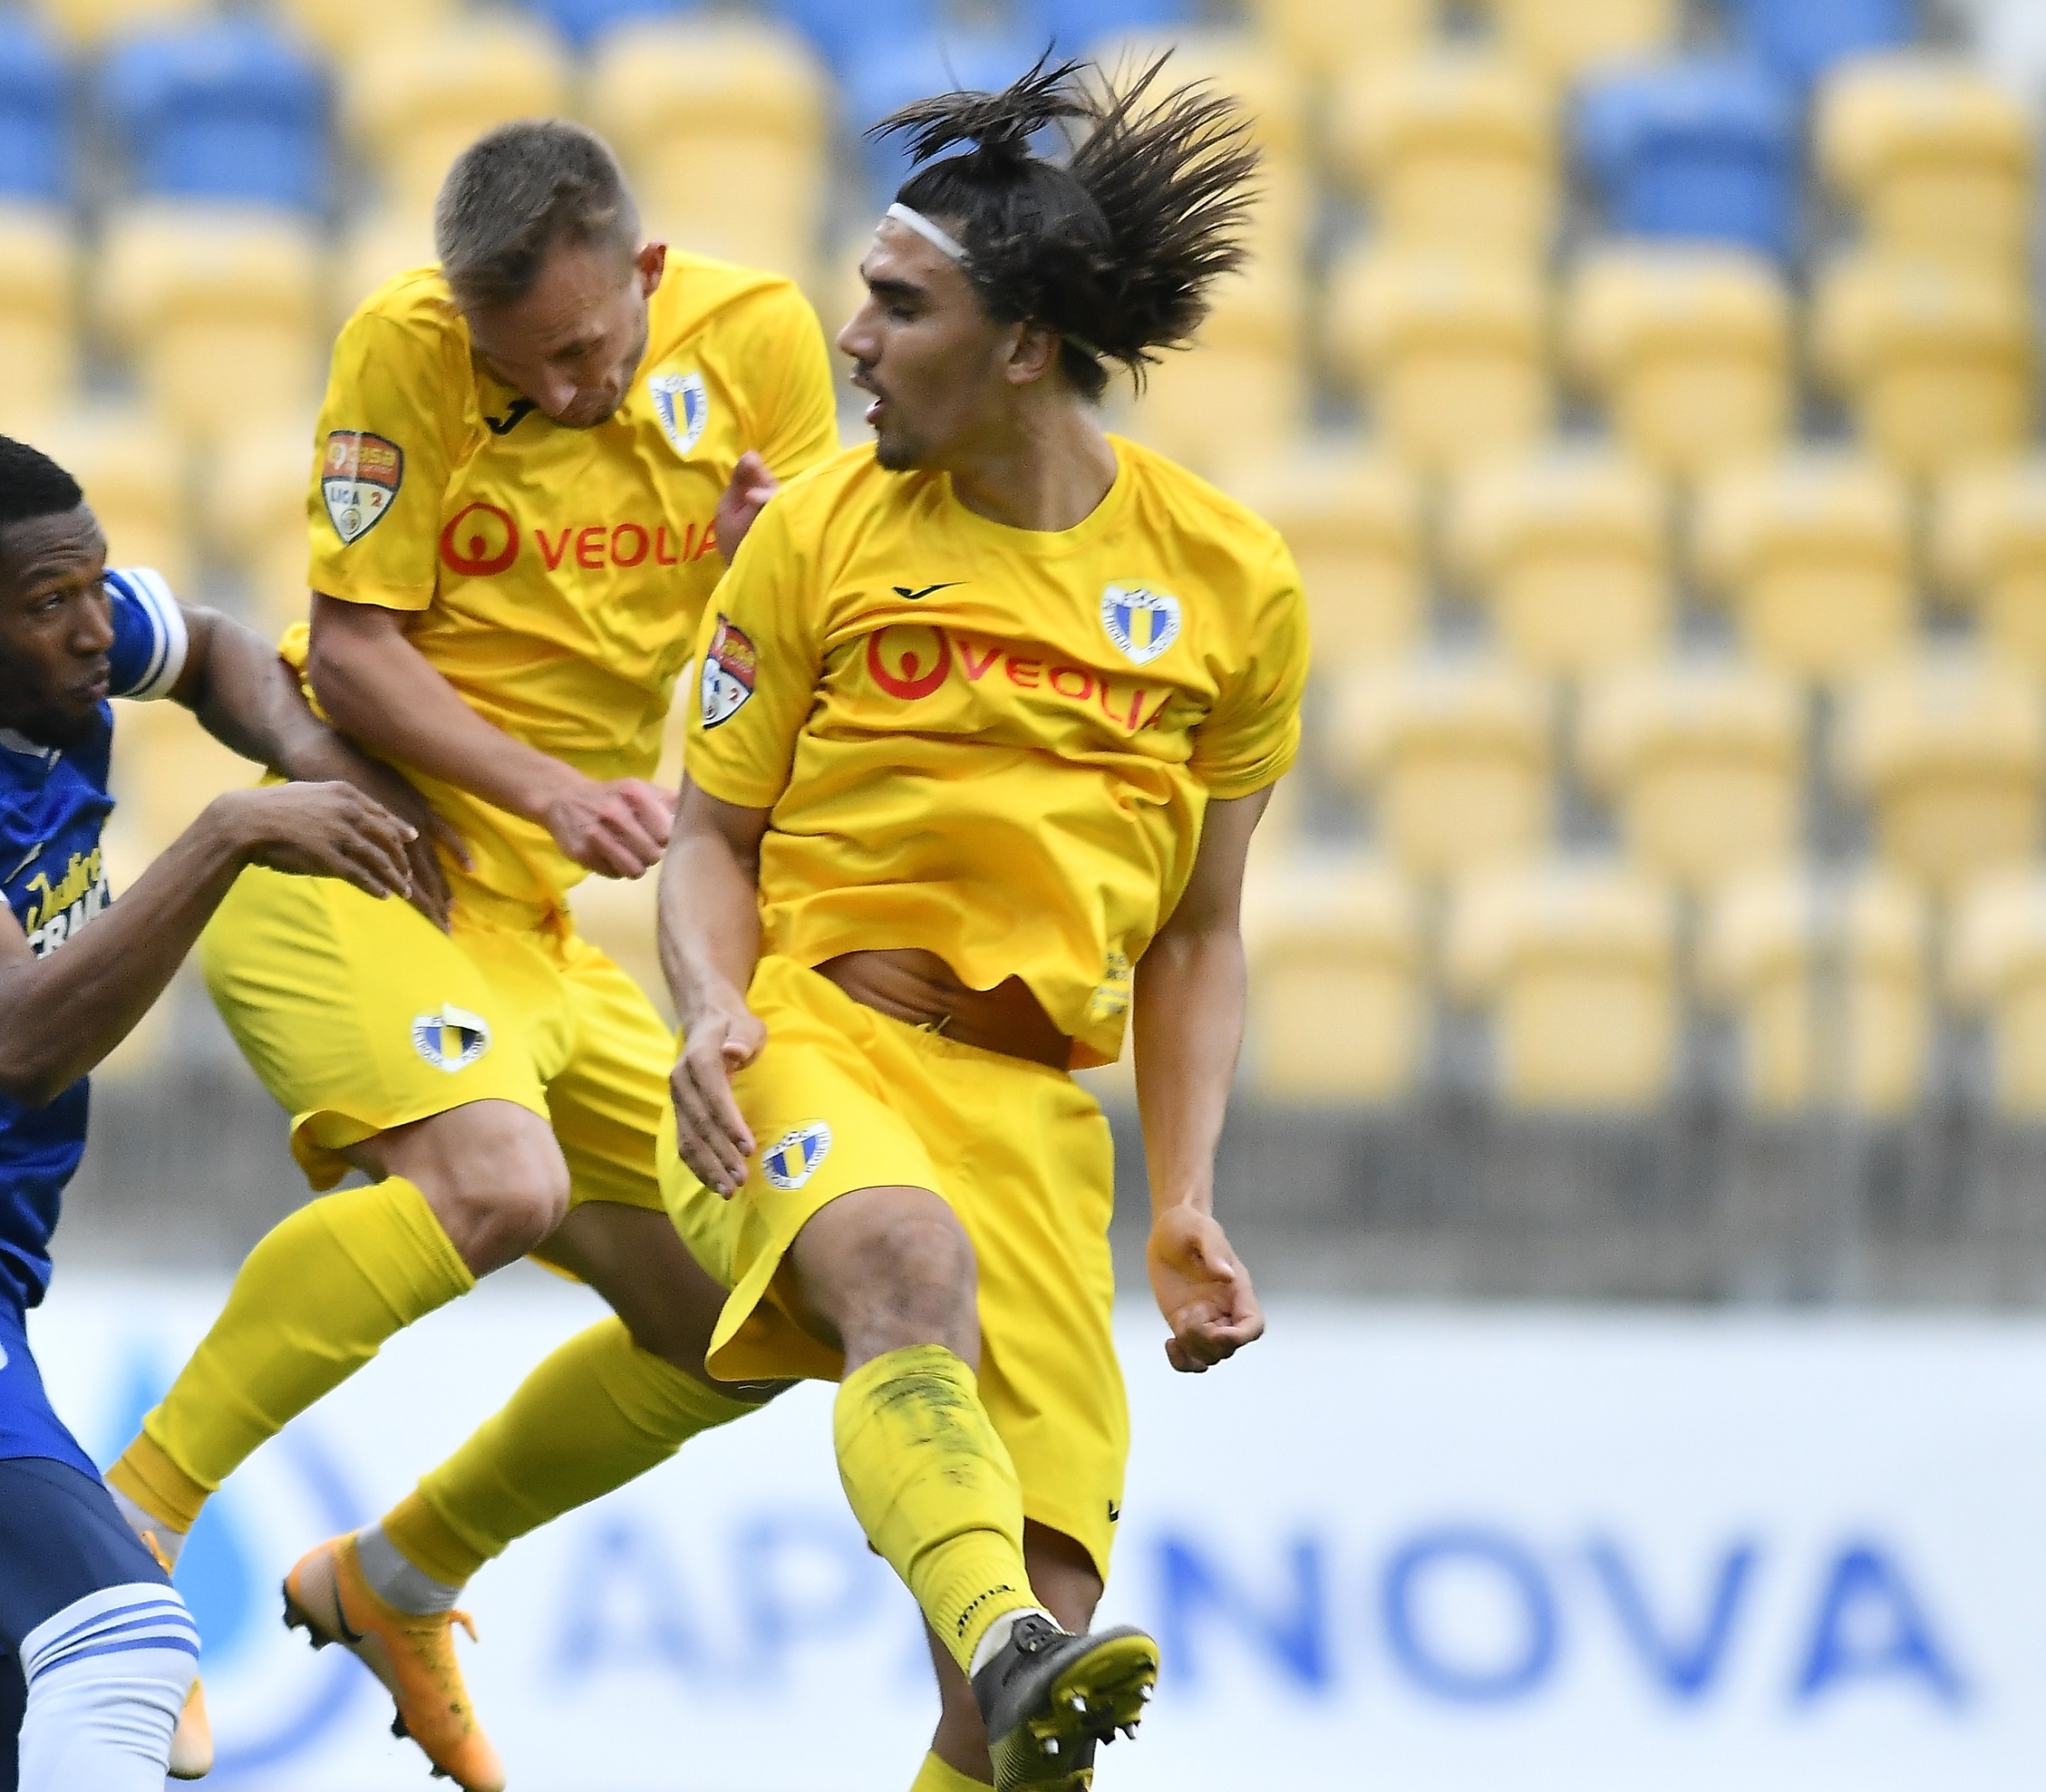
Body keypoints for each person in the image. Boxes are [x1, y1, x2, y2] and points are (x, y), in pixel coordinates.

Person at [101, 119, 839, 1789]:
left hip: (530, 929)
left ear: (645, 276)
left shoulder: (763, 341)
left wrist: (762, 568)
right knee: (495, 1176)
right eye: (528, 368)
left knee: (747, 1320)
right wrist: (544, 789)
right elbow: (351, 655)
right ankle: (125, 1530)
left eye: (587, 349)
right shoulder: (405, 351)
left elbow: (801, 644)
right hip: (354, 863)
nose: (566, 390)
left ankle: (401, 1570)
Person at [658, 59, 1298, 1792]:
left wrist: (1181, 1198)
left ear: (1023, 345)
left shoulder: (1235, 587)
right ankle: (1011, 1633)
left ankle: (1013, 1661)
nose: (848, 338)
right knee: (901, 1279)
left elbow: (1197, 931)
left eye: (894, 302)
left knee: (1019, 1745)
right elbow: (709, 836)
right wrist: (714, 1003)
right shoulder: (810, 537)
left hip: (1035, 1123)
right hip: (810, 1040)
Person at [0, 430, 434, 1792]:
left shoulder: (47, 635)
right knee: (125, 1642)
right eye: (52, 604)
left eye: (97, 584)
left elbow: (214, 642)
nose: (96, 629)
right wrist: (224, 833)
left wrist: (306, 756)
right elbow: (9, 1035)